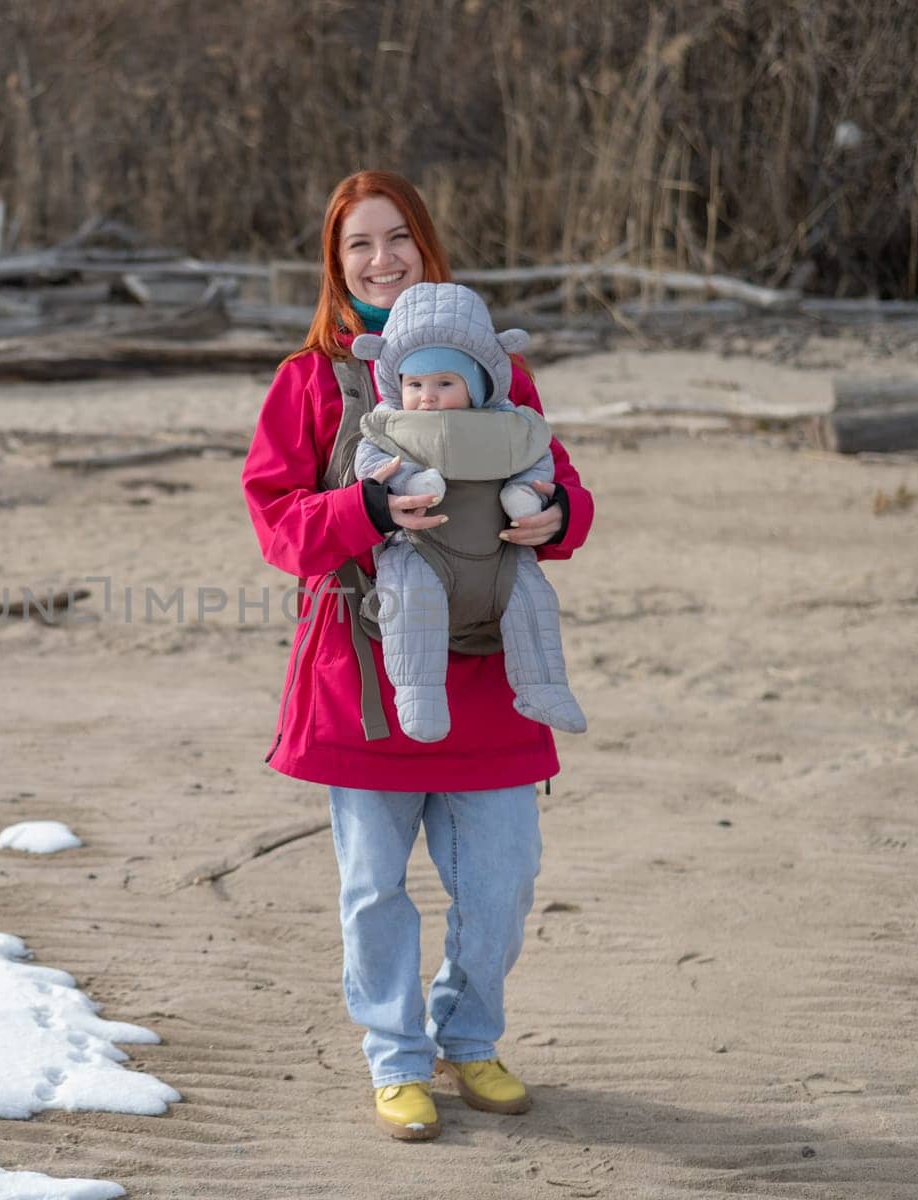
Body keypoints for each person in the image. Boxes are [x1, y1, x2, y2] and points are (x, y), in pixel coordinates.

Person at [240, 170, 595, 1141]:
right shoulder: (309, 382)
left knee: (502, 881)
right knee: (372, 889)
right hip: (361, 678)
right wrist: (361, 509)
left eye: (397, 238)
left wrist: (554, 519)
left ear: (426, 246)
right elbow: (275, 526)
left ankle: (468, 1039)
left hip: (488, 678)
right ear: (334, 262)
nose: (381, 258)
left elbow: (561, 496)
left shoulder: (496, 374)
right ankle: (396, 1060)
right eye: (359, 244)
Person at [350, 280, 587, 742]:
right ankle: (420, 697)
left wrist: (530, 495)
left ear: (476, 386)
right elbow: (370, 462)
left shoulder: (506, 424)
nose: (428, 396)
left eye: (444, 383)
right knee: (412, 602)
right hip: (423, 548)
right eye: (415, 384)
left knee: (534, 600)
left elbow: (537, 458)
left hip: (499, 553)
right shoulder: (391, 425)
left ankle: (545, 687)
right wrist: (403, 482)